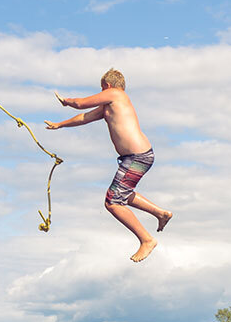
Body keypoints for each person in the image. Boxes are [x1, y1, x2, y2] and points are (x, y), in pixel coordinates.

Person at [46, 68, 173, 262]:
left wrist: (67, 101)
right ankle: (160, 213)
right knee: (121, 193)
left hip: (136, 156)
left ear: (107, 86)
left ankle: (146, 240)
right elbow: (84, 117)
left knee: (112, 202)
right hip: (138, 156)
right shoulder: (110, 106)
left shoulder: (116, 94)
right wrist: (60, 124)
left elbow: (80, 104)